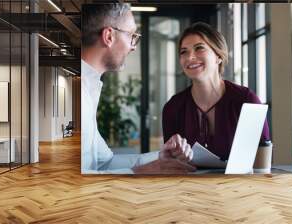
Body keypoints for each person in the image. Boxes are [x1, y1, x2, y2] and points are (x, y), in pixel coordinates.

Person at [81, 3, 195, 174]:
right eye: (131, 36)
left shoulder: (88, 87)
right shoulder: (78, 94)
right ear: (109, 36)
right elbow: (76, 178)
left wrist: (161, 158)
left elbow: (105, 162)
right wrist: (140, 173)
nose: (133, 46)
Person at [162, 22, 271, 162]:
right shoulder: (173, 108)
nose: (190, 57)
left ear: (218, 56)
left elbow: (262, 163)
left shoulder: (247, 101)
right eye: (184, 52)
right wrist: (177, 158)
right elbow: (169, 164)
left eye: (199, 48)